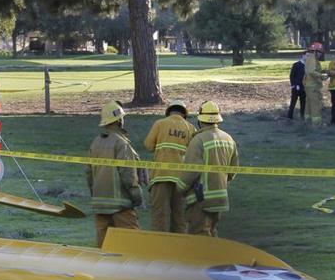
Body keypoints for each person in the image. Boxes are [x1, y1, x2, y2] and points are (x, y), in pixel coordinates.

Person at [178, 101, 239, 237]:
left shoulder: (198, 140)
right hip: (219, 198)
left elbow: (191, 171)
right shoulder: (229, 139)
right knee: (212, 235)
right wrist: (221, 183)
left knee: (200, 238)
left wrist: (180, 187)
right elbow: (233, 170)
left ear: (200, 120)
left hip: (201, 199)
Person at [86, 100, 142, 247]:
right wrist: (136, 196)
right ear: (119, 121)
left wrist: (95, 194)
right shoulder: (121, 143)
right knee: (133, 246)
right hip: (121, 204)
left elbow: (89, 173)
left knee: (104, 248)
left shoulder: (95, 143)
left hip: (100, 204)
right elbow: (128, 174)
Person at [143, 99, 194, 233]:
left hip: (160, 176)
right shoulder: (190, 128)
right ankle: (179, 245)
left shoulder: (160, 124)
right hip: (181, 180)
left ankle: (159, 244)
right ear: (184, 113)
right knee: (180, 218)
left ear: (169, 111)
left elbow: (148, 145)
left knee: (160, 216)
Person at [303, 41, 325, 125]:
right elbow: (311, 71)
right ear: (315, 51)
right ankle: (317, 123)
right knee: (315, 104)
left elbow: (312, 70)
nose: (321, 54)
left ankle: (308, 121)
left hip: (309, 85)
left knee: (309, 104)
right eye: (320, 52)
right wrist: (321, 76)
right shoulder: (312, 58)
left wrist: (322, 72)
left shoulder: (310, 58)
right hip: (313, 86)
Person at [287, 54, 306, 120]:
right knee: (293, 102)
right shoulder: (296, 64)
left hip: (304, 87)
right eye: (306, 56)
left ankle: (302, 117)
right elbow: (291, 75)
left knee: (303, 103)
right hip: (296, 86)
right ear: (302, 56)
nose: (307, 57)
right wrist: (293, 85)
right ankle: (289, 116)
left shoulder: (308, 66)